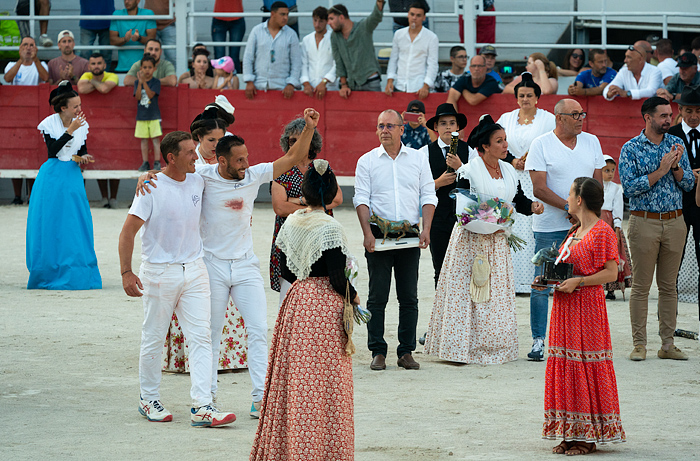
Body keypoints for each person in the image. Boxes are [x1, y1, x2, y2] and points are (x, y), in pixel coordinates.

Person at [140, 109, 319, 420]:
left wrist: (310, 127)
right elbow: (173, 175)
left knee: (259, 329)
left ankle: (260, 397)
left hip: (245, 264)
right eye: (239, 160)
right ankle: (207, 398)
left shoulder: (253, 175)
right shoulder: (202, 177)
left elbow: (292, 158)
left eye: (246, 158)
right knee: (209, 334)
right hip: (211, 265)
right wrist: (147, 176)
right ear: (221, 161)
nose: (246, 164)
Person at [118, 131, 236, 427]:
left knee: (201, 337)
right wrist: (125, 271)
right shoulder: (152, 186)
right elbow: (127, 232)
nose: (196, 157)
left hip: (195, 269)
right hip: (158, 272)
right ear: (171, 158)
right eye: (189, 153)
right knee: (154, 337)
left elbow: (227, 169)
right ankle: (148, 398)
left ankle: (203, 406)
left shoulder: (198, 177)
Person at [251, 159, 358, 460]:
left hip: (298, 303)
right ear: (333, 190)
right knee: (325, 382)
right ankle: (323, 449)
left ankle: (292, 448)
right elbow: (338, 278)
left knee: (296, 378)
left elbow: (285, 266)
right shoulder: (330, 227)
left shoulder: (294, 221)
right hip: (323, 308)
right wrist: (355, 296)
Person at [425, 115, 543, 364]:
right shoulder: (469, 170)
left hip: (497, 242)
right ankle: (460, 348)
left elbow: (517, 200)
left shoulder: (509, 170)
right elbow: (465, 204)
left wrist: (531, 206)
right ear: (485, 147)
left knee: (493, 296)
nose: (505, 145)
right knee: (466, 293)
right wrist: (498, 214)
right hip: (471, 240)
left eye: (505, 140)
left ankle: (492, 347)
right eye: (499, 141)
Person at [540, 177, 625, 456]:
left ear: (579, 200)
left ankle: (586, 437)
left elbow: (612, 273)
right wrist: (548, 278)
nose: (567, 197)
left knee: (584, 366)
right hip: (565, 308)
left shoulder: (602, 232)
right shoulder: (574, 230)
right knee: (565, 365)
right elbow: (566, 267)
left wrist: (580, 281)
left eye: (570, 193)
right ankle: (569, 432)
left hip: (587, 307)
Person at [353, 109, 437, 371]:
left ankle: (406, 351)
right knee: (377, 296)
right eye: (380, 126)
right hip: (378, 235)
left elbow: (428, 195)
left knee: (409, 296)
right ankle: (377, 351)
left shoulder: (418, 158)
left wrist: (426, 229)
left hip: (410, 235)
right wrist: (367, 233)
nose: (384, 130)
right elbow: (361, 199)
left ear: (403, 129)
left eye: (390, 125)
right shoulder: (366, 161)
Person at [524, 99, 605, 361]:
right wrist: (571, 210)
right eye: (575, 114)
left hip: (584, 227)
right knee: (543, 282)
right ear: (559, 118)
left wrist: (585, 216)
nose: (581, 118)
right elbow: (538, 188)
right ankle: (539, 340)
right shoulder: (541, 144)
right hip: (550, 226)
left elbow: (597, 186)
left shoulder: (592, 141)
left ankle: (577, 339)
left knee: (583, 281)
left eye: (582, 113)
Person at [619, 96, 694, 361]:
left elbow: (688, 186)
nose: (668, 120)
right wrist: (661, 170)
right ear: (647, 117)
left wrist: (675, 169)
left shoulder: (677, 144)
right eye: (663, 115)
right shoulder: (631, 148)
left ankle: (667, 345)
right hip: (644, 221)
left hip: (675, 222)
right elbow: (629, 188)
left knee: (668, 286)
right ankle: (639, 344)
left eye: (669, 114)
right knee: (641, 286)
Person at [27, 81, 101, 291]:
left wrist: (83, 157)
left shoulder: (82, 124)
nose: (80, 109)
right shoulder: (48, 123)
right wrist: (70, 130)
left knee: (75, 222)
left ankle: (77, 270)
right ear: (63, 108)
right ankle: (48, 271)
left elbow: (80, 150)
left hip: (72, 176)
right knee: (51, 222)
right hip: (52, 177)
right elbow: (53, 152)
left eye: (79, 105)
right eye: (75, 106)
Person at [269, 118, 343, 304]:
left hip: (319, 235)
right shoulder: (281, 168)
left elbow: (337, 198)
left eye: (301, 139)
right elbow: (280, 207)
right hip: (291, 237)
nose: (296, 144)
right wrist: (314, 206)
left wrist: (296, 201)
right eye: (292, 140)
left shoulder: (321, 167)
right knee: (288, 293)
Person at [497, 73, 556, 293]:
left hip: (537, 177)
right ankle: (511, 282)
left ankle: (537, 279)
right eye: (521, 95)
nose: (525, 99)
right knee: (512, 225)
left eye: (529, 95)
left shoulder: (548, 119)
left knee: (535, 225)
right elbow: (496, 141)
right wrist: (512, 159)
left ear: (537, 98)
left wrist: (530, 160)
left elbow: (552, 143)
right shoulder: (506, 118)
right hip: (511, 175)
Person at [418, 103, 470, 286]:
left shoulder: (469, 150)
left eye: (452, 123)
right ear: (436, 127)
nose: (448, 127)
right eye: (443, 123)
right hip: (437, 217)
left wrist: (461, 168)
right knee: (440, 267)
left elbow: (479, 181)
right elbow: (414, 187)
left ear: (458, 127)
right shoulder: (423, 153)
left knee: (464, 268)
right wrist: (438, 183)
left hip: (464, 217)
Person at [4, 36, 47, 205]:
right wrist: (20, 61)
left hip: (36, 114)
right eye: (25, 45)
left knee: (33, 156)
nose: (28, 48)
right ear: (20, 48)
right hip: (17, 114)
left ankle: (30, 194)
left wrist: (34, 59)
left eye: (32, 45)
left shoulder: (41, 65)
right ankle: (17, 195)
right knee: (17, 153)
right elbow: (7, 78)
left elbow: (45, 78)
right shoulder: (11, 65)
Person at [668, 86, 700, 312]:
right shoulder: (671, 134)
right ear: (680, 110)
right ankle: (669, 309)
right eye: (689, 111)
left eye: (698, 111)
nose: (694, 116)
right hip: (677, 203)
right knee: (673, 258)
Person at [77, 52, 120, 209]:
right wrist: (97, 84)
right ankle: (104, 197)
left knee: (113, 157)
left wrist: (93, 83)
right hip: (93, 121)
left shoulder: (111, 76)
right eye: (93, 64)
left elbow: (103, 89)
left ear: (104, 65)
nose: (96, 66)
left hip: (115, 121)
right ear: (89, 66)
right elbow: (81, 88)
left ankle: (113, 197)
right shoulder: (86, 75)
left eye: (99, 63)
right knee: (99, 156)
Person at [242, 1, 300, 100]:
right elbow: (248, 57)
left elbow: (296, 62)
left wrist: (291, 83)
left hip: (283, 89)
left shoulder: (291, 34)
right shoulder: (257, 31)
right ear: (272, 14)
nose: (286, 18)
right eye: (282, 14)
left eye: (287, 14)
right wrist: (249, 81)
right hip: (258, 86)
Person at [328, 1, 385, 98]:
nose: (329, 23)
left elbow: (375, 17)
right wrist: (344, 85)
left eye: (331, 19)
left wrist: (380, 2)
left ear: (341, 17)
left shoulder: (363, 27)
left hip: (370, 80)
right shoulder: (334, 36)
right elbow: (339, 62)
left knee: (376, 112)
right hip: (351, 85)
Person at [384, 3, 438, 100]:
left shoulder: (431, 37)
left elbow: (433, 64)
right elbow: (393, 59)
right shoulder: (399, 34)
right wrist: (390, 80)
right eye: (412, 14)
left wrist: (426, 86)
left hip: (419, 87)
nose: (414, 18)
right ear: (408, 15)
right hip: (399, 85)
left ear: (424, 18)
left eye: (418, 15)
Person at [600, 155, 632, 300]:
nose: (610, 173)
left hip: (610, 224)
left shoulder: (615, 189)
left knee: (611, 256)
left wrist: (617, 227)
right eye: (606, 170)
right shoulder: (594, 186)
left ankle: (611, 289)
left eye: (612, 170)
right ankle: (596, 287)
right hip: (595, 222)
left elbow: (617, 209)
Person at [300, 6, 337, 100]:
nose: (317, 24)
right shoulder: (306, 40)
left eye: (321, 21)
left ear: (326, 22)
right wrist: (306, 83)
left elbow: (337, 64)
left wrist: (324, 82)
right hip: (310, 89)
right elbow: (304, 64)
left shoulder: (334, 38)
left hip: (329, 87)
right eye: (315, 20)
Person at [110, 0, 157, 73]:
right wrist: (124, 39)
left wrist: (139, 38)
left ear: (138, 1)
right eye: (125, 0)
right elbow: (112, 40)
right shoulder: (117, 14)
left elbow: (152, 40)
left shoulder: (148, 13)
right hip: (123, 67)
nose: (126, 2)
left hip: (144, 67)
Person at [133, 55, 162, 172]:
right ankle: (145, 162)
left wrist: (143, 82)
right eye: (145, 67)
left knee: (155, 140)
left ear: (154, 69)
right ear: (141, 68)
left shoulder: (156, 82)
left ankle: (157, 162)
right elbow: (138, 97)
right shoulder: (137, 83)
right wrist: (140, 83)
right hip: (142, 116)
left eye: (150, 67)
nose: (147, 70)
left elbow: (150, 95)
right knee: (144, 140)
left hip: (154, 115)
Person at [212, 0, 246, 77]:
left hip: (237, 18)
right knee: (219, 56)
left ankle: (235, 83)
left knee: (234, 56)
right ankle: (218, 84)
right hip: (219, 18)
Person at [79, 0, 115, 70]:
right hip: (87, 22)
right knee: (85, 53)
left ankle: (105, 77)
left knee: (106, 54)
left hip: (107, 22)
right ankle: (85, 77)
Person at [144, 0, 176, 67]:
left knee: (172, 56)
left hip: (168, 23)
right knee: (149, 56)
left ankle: (172, 76)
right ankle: (150, 76)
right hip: (150, 23)